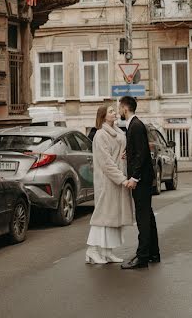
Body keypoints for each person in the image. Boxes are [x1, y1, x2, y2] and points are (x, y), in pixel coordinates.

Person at [85, 105, 134, 265]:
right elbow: (106, 162)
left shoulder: (118, 133)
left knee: (113, 218)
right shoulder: (100, 135)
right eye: (111, 111)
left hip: (117, 181)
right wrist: (122, 178)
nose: (114, 113)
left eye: (114, 110)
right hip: (107, 182)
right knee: (102, 217)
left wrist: (125, 154)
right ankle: (92, 250)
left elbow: (118, 153)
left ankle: (107, 251)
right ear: (104, 116)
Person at [118, 95, 160, 269]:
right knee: (147, 216)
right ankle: (153, 253)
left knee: (142, 218)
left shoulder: (135, 126)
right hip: (144, 178)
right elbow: (138, 150)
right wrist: (129, 151)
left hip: (141, 180)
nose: (119, 110)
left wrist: (134, 178)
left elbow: (142, 154)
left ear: (125, 108)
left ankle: (142, 257)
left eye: (119, 107)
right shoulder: (135, 125)